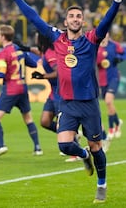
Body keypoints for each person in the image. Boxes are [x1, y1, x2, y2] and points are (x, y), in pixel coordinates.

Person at [3, 0, 125, 203]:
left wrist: (116, 2)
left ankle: (102, 184)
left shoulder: (91, 39)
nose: (76, 19)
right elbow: (34, 18)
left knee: (97, 145)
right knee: (65, 144)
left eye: (79, 16)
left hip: (88, 103)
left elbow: (106, 22)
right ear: (65, 20)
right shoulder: (57, 38)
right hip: (66, 102)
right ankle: (82, 155)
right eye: (72, 16)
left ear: (83, 21)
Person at [0, 24, 43, 159]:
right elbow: (33, 64)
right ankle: (37, 147)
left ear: (3, 37)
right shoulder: (19, 50)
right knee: (28, 118)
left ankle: (1, 145)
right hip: (23, 88)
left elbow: (2, 74)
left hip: (11, 89)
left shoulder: (3, 53)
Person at [28, 32, 81, 162]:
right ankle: (74, 135)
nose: (35, 39)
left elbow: (58, 72)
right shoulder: (47, 52)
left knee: (62, 123)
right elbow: (39, 53)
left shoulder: (51, 53)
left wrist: (42, 76)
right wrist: (26, 48)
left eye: (37, 36)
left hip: (60, 92)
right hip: (53, 92)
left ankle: (77, 152)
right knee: (45, 122)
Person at [96, 33, 124, 143]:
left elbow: (123, 55)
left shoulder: (114, 45)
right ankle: (117, 123)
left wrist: (118, 58)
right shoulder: (96, 47)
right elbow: (94, 61)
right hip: (102, 80)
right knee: (109, 104)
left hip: (113, 77)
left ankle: (111, 129)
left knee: (108, 101)